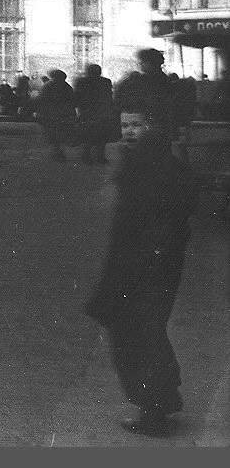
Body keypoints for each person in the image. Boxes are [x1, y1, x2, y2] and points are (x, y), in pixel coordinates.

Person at [84, 97, 197, 437]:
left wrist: (141, 265)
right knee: (145, 333)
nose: (129, 131)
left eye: (136, 125)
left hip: (143, 268)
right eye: (124, 125)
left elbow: (158, 222)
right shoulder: (154, 160)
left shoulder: (149, 163)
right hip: (151, 266)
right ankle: (160, 402)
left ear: (153, 126)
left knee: (137, 335)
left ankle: (155, 412)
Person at [73, 63, 117, 165]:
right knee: (101, 136)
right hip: (101, 113)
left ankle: (86, 157)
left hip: (86, 112)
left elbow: (77, 97)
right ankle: (100, 157)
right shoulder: (106, 81)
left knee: (87, 135)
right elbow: (109, 97)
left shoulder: (81, 81)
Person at [35, 68, 77, 162]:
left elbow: (41, 100)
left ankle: (57, 152)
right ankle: (59, 152)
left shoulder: (47, 86)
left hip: (50, 114)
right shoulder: (67, 87)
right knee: (61, 134)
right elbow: (73, 101)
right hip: (64, 114)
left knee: (53, 134)